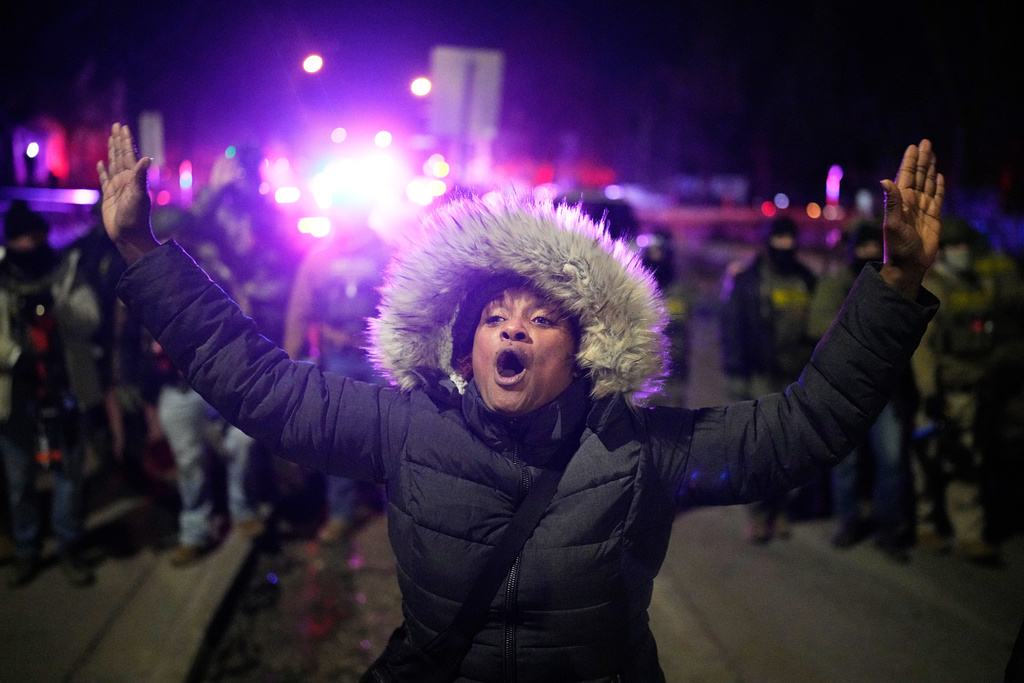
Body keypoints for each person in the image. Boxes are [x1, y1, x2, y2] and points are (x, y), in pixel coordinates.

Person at [99, 123, 943, 683]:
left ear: (580, 351)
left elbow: (799, 431)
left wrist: (897, 286)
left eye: (541, 320)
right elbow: (263, 386)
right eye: (494, 318)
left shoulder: (637, 449)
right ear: (463, 344)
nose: (513, 333)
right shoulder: (406, 426)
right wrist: (142, 252)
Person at [0, 200, 102, 587]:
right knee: (19, 480)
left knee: (68, 475)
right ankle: (26, 551)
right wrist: (16, 354)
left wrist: (58, 310)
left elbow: (91, 318)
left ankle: (69, 548)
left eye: (34, 239)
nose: (28, 248)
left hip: (64, 389)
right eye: (19, 241)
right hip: (15, 398)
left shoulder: (67, 270)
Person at [807, 219, 915, 560]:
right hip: (845, 391)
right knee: (846, 462)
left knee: (892, 460)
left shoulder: (894, 285)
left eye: (875, 247)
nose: (869, 253)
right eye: (863, 246)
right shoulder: (837, 283)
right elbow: (817, 325)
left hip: (885, 390)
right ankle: (848, 521)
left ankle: (888, 526)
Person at [282, 218, 390, 543]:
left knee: (389, 432)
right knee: (337, 435)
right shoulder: (319, 257)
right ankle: (342, 511)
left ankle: (397, 507)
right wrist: (289, 361)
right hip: (337, 355)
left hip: (378, 355)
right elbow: (301, 309)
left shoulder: (388, 252)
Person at [910, 216, 1006, 564]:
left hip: (975, 390)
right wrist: (930, 393)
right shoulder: (934, 289)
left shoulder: (978, 285)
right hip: (944, 393)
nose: (962, 252)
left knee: (968, 461)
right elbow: (923, 348)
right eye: (955, 246)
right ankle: (926, 523)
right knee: (931, 460)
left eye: (965, 245)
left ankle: (969, 533)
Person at [719, 215, 818, 542]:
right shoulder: (747, 280)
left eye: (790, 241)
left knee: (791, 448)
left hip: (797, 377)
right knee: (758, 446)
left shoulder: (805, 278)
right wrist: (735, 372)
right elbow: (732, 328)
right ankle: (759, 515)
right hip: (760, 374)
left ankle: (782, 510)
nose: (784, 247)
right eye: (778, 240)